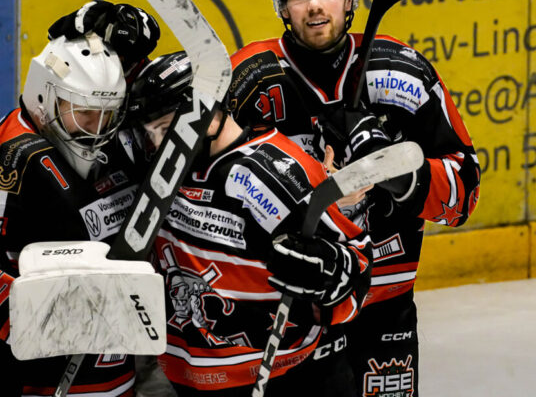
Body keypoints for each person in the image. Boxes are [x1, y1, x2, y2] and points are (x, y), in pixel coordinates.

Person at [227, 0, 481, 396]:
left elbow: (465, 192)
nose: (315, 5)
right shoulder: (249, 81)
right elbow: (198, 184)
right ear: (282, 6)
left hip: (384, 304)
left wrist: (397, 172)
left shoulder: (400, 71)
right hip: (291, 309)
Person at [119, 51, 373, 396]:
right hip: (185, 379)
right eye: (149, 133)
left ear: (208, 119)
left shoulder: (269, 173)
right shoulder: (168, 165)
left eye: (164, 130)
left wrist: (330, 275)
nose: (155, 145)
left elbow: (356, 269)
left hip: (278, 379)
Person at [0, 33, 139, 396]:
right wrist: (54, 322)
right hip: (3, 367)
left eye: (106, 114)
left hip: (95, 361)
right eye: (83, 112)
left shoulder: (88, 136)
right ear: (43, 98)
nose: (96, 128)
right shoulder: (12, 158)